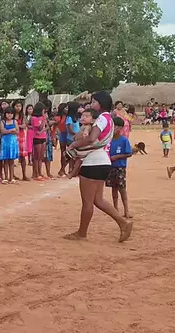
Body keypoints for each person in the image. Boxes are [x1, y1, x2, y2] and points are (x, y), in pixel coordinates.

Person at [64, 91, 132, 243]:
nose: (91, 104)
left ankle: (82, 233)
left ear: (100, 103)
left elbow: (92, 138)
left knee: (88, 202)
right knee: (98, 200)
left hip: (92, 162)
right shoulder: (110, 119)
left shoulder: (101, 119)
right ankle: (123, 223)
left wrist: (74, 144)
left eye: (94, 102)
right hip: (103, 161)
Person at [107, 117, 133, 218]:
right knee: (113, 188)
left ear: (121, 128)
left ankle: (126, 210)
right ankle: (115, 209)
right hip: (111, 167)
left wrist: (117, 157)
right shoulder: (108, 140)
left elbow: (129, 153)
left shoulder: (124, 140)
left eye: (116, 127)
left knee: (122, 189)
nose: (113, 129)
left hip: (120, 168)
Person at [0, 107, 19, 184]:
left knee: (11, 161)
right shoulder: (3, 122)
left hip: (13, 142)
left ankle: (11, 177)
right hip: (5, 142)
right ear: (5, 114)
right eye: (8, 113)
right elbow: (2, 131)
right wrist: (11, 130)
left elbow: (17, 131)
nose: (9, 115)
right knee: (5, 161)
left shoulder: (15, 121)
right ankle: (6, 177)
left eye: (11, 113)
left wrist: (8, 131)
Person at [29, 103, 47, 181]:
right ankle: (36, 173)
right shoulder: (34, 118)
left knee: (41, 157)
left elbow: (46, 127)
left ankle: (40, 172)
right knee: (36, 157)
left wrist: (43, 130)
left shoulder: (43, 117)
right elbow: (39, 128)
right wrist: (43, 119)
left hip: (43, 137)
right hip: (37, 138)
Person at [12, 100, 28, 181]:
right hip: (13, 136)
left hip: (21, 137)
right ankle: (12, 174)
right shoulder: (11, 115)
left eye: (20, 106)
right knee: (12, 156)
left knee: (22, 156)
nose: (18, 108)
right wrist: (19, 126)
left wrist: (16, 126)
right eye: (17, 106)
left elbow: (25, 125)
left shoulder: (23, 116)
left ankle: (24, 174)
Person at [55, 103, 69, 177]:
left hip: (64, 134)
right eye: (65, 108)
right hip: (64, 134)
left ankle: (62, 169)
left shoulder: (64, 117)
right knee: (64, 154)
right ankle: (62, 169)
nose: (67, 109)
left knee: (66, 153)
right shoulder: (62, 117)